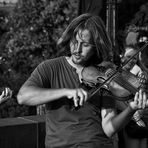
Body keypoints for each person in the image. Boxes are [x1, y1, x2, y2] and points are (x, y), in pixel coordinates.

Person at [17, 13, 147, 148]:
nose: (77, 49)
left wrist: (131, 108)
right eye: (74, 41)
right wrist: (65, 92)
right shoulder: (50, 67)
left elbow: (109, 128)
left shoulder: (104, 74)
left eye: (85, 44)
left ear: (96, 46)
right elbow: (23, 96)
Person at [116, 44, 148, 148]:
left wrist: (138, 115)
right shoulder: (115, 74)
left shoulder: (138, 76)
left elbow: (142, 97)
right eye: (128, 56)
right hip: (124, 119)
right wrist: (135, 117)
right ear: (122, 56)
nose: (132, 60)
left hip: (137, 117)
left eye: (134, 57)